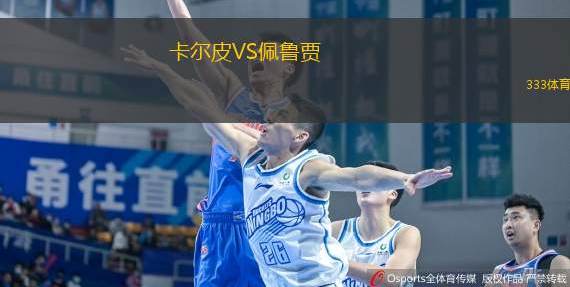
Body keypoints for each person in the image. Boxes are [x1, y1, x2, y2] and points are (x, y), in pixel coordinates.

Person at [122, 46, 452, 286]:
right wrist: (163, 70)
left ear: (300, 136)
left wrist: (404, 178)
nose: (268, 120)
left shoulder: (308, 170)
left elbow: (356, 176)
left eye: (280, 117)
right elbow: (203, 110)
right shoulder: (250, 155)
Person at [134, 0, 310, 286]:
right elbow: (190, 35)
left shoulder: (293, 116)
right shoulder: (233, 93)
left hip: (261, 226)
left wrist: (218, 117)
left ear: (288, 68)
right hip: (216, 225)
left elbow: (274, 157)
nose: (257, 58)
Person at [332, 161, 421, 287]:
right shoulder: (334, 230)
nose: (365, 185)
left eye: (375, 182)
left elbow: (390, 280)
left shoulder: (406, 234)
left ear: (392, 194)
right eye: (362, 181)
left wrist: (337, 262)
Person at [486, 194, 570, 287]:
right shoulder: (498, 272)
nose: (508, 225)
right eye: (505, 220)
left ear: (535, 225)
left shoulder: (558, 264)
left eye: (516, 217)